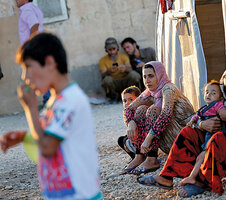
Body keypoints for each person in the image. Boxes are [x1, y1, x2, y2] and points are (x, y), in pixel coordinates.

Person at [137, 66, 226, 198]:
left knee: (218, 138)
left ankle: (203, 181)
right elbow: (206, 117)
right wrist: (202, 124)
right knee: (189, 132)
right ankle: (166, 176)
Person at [0, 33, 102, 199]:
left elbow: (48, 148)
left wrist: (31, 108)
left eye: (28, 67)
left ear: (49, 63)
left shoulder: (70, 100)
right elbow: (55, 137)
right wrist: (25, 136)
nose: (25, 76)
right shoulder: (57, 100)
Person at [121, 61, 194, 175]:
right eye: (144, 77)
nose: (147, 80)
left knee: (153, 110)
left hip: (186, 140)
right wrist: (131, 123)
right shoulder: (150, 93)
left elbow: (166, 115)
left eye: (151, 76)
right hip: (169, 141)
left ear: (159, 75)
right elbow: (128, 109)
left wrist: (148, 139)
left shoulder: (168, 88)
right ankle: (140, 155)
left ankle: (152, 159)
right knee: (140, 110)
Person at [99, 37, 141, 104]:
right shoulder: (103, 60)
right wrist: (109, 71)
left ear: (117, 48)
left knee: (134, 75)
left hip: (125, 81)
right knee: (107, 80)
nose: (112, 52)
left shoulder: (124, 56)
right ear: (106, 50)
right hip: (114, 83)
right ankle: (114, 97)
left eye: (114, 49)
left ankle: (133, 95)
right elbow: (102, 74)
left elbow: (130, 69)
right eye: (110, 50)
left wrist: (125, 68)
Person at [118, 86, 141, 160]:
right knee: (121, 140)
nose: (127, 103)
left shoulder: (141, 110)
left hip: (143, 136)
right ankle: (134, 157)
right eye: (124, 101)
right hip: (135, 136)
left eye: (131, 99)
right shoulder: (126, 113)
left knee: (127, 139)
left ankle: (141, 156)